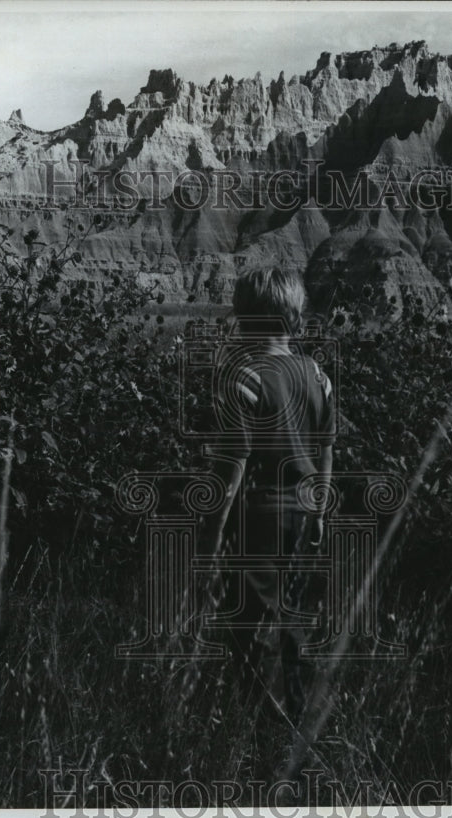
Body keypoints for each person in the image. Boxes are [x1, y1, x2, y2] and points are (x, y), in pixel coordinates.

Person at [199, 267, 335, 755]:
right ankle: (296, 718)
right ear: (294, 316)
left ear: (244, 318)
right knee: (293, 620)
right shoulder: (318, 375)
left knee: (250, 624)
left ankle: (258, 728)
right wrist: (318, 511)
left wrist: (211, 538)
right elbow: (324, 451)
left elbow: (232, 467)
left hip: (257, 514)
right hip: (303, 512)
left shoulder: (246, 378)